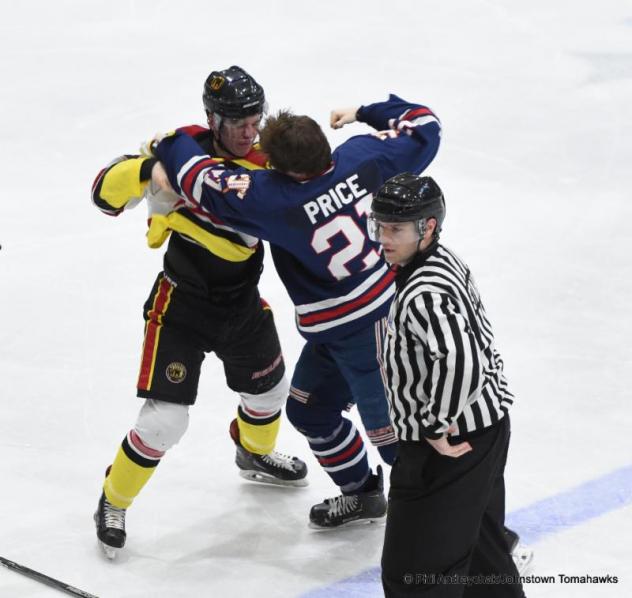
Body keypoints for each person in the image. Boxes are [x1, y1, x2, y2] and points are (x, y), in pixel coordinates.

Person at [150, 93, 441, 528]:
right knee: (310, 411)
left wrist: (169, 142)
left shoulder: (275, 199)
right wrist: (363, 112)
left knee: (397, 443)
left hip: (371, 335)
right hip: (340, 331)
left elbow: (199, 179)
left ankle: (482, 536)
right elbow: (425, 124)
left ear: (282, 171)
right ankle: (362, 494)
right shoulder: (362, 156)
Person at [90, 66, 307, 559]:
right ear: (212, 119)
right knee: (165, 422)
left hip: (241, 304)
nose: (250, 130)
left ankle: (252, 453)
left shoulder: (270, 161)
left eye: (256, 118)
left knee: (270, 390)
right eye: (238, 123)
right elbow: (102, 193)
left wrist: (175, 214)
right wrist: (146, 173)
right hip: (181, 305)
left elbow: (244, 242)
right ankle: (113, 499)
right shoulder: (179, 147)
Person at [370, 173, 526, 597]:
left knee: (414, 572)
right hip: (486, 427)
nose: (384, 238)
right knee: (481, 556)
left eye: (396, 229)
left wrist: (436, 425)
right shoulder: (439, 260)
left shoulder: (424, 292)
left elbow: (462, 361)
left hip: (452, 444)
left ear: (429, 228)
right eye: (379, 226)